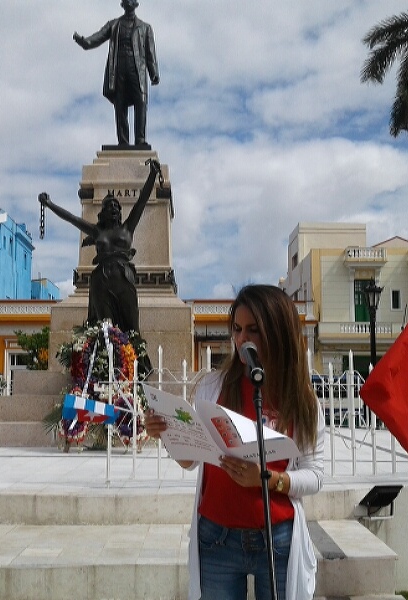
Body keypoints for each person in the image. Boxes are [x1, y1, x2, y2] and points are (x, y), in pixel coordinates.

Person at [145, 285, 325, 600]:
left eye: (254, 330)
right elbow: (190, 461)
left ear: (278, 332)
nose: (243, 339)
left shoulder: (302, 400)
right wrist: (167, 434)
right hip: (217, 538)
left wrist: (268, 479)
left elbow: (315, 475)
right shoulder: (212, 387)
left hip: (277, 539)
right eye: (238, 329)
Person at [38, 158, 161, 337]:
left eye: (116, 206)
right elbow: (72, 218)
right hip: (101, 280)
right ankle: (103, 355)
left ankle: (134, 355)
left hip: (123, 278)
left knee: (132, 329)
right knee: (104, 330)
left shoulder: (127, 228)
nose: (114, 208)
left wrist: (153, 174)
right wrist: (49, 204)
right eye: (109, 206)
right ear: (103, 213)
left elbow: (141, 202)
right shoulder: (97, 231)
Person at [73, 0, 159, 146]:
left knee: (141, 101)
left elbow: (150, 52)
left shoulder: (145, 27)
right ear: (123, 4)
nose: (128, 2)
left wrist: (154, 72)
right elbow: (99, 36)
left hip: (137, 68)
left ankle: (140, 139)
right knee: (120, 104)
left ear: (135, 4)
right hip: (118, 67)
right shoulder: (114, 25)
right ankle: (123, 141)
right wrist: (85, 42)